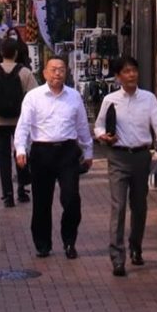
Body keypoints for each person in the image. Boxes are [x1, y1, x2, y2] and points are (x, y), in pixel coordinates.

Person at [94, 56, 157, 276]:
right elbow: (99, 126)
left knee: (139, 206)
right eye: (126, 71)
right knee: (118, 207)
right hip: (118, 157)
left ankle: (136, 246)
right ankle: (117, 257)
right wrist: (103, 137)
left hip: (141, 157)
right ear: (118, 76)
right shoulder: (110, 100)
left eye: (134, 70)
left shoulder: (148, 98)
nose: (131, 75)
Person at [14, 55, 94, 259]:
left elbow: (82, 126)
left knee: (71, 198)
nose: (57, 73)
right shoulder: (33, 97)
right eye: (53, 69)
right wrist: (21, 149)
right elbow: (23, 125)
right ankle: (43, 243)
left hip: (67, 152)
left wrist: (88, 150)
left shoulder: (74, 96)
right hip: (42, 152)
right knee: (42, 201)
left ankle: (69, 241)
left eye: (61, 69)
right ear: (45, 73)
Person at [0, 37, 36, 206]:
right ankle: (22, 189)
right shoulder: (25, 72)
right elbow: (34, 97)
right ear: (17, 53)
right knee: (21, 153)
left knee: (2, 157)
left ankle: (7, 194)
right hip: (20, 120)